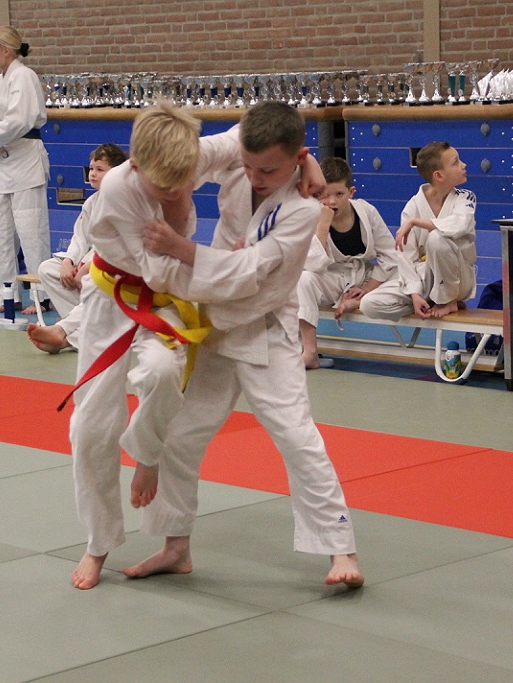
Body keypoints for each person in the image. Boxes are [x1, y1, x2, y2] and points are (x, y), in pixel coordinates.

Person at [123, 101, 364, 589]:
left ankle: (342, 548)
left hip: (266, 329)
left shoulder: (302, 210)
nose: (254, 177)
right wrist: (149, 157)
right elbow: (188, 158)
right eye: (249, 166)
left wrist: (181, 248)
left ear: (297, 157)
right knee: (181, 434)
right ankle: (175, 546)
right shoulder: (240, 149)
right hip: (214, 326)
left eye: (268, 170)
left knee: (295, 435)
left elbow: (246, 274)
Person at [66, 102, 245, 590]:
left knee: (164, 373)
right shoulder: (117, 190)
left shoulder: (188, 153)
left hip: (165, 298)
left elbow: (250, 134)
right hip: (113, 294)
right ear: (138, 164)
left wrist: (305, 161)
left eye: (182, 181)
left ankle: (146, 455)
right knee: (91, 426)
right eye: (163, 185)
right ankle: (98, 543)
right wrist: (213, 264)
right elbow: (158, 269)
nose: (174, 190)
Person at [296, 157, 420, 369]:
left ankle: (359, 300)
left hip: (363, 277)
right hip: (329, 278)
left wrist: (365, 289)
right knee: (302, 279)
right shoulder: (312, 215)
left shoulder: (367, 212)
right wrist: (323, 226)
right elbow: (312, 265)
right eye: (325, 195)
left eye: (339, 194)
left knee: (405, 269)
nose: (332, 201)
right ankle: (310, 352)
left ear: (351, 192)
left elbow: (389, 256)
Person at [0, 26, 52, 317]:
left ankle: (43, 296)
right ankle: (9, 297)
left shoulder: (25, 76)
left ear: (7, 50)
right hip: (4, 164)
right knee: (2, 236)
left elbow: (19, 122)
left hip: (26, 162)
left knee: (32, 233)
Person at [352, 141, 473, 324]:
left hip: (457, 280)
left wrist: (416, 222)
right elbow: (406, 257)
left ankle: (448, 300)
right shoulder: (413, 206)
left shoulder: (465, 198)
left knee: (436, 239)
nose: (463, 165)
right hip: (424, 279)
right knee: (369, 304)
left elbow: (458, 225)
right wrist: (415, 294)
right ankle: (426, 303)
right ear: (439, 175)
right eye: (456, 162)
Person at [27, 143, 127, 354]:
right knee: (48, 269)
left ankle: (65, 334)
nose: (93, 174)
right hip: (89, 266)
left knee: (96, 282)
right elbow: (80, 238)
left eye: (100, 169)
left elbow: (116, 247)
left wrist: (88, 268)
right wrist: (68, 261)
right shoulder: (92, 202)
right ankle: (78, 324)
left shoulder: (124, 203)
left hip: (113, 271)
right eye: (91, 169)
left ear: (117, 173)